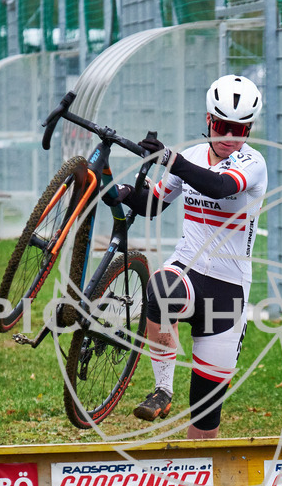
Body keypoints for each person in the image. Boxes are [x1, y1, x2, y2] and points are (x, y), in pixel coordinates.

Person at [112, 74, 267, 439]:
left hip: (228, 292)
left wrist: (170, 158)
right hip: (188, 270)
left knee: (204, 424)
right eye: (225, 126)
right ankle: (162, 389)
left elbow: (221, 186)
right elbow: (152, 205)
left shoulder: (253, 162)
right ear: (209, 120)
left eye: (241, 130)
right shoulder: (194, 157)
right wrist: (120, 190)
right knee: (161, 289)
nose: (231, 137)